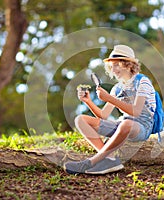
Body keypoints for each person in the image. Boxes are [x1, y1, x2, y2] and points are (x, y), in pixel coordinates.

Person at [64, 44, 156, 175]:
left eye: (117, 65)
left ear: (129, 65)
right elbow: (103, 115)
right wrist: (88, 101)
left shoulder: (143, 82)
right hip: (123, 124)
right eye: (111, 67)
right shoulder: (117, 88)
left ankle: (91, 162)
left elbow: (136, 111)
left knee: (126, 123)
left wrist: (109, 98)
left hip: (141, 126)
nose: (113, 70)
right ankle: (109, 158)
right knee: (80, 120)